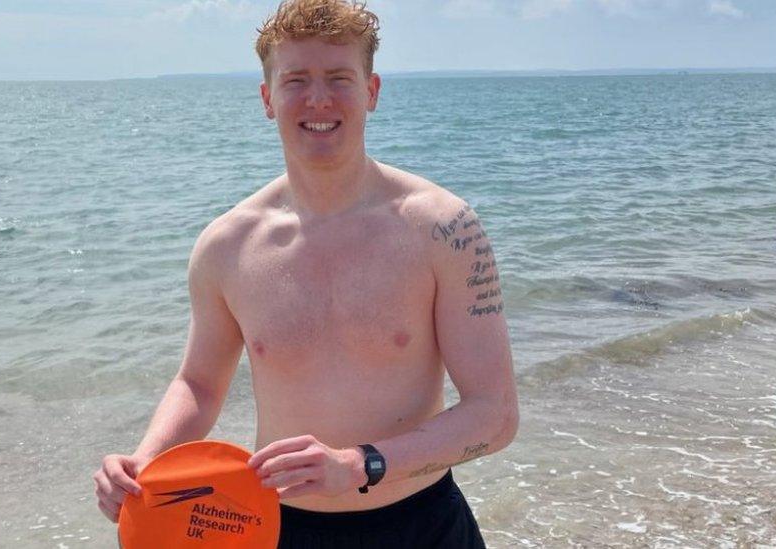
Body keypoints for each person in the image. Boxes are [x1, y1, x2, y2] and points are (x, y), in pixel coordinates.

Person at [93, 0, 519, 546]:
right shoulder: (228, 245)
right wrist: (144, 461)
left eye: (339, 77)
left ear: (372, 91)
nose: (318, 99)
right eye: (296, 79)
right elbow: (199, 384)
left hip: (421, 522)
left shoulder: (442, 227)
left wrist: (361, 463)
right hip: (277, 527)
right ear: (268, 98)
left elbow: (495, 414)